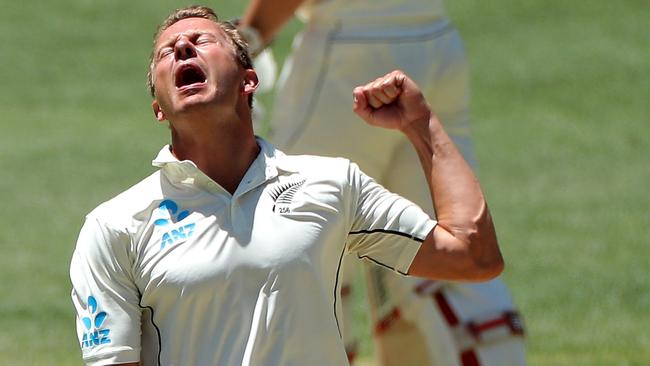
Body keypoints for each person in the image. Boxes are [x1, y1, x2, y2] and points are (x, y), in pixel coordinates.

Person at [69, 5, 504, 366]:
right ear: (158, 109)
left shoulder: (332, 184)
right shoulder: (116, 226)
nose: (182, 46)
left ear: (249, 80)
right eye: (167, 52)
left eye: (202, 41)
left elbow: (474, 256)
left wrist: (422, 126)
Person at [239, 1, 527, 365]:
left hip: (350, 52)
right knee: (442, 250)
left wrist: (250, 36)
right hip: (436, 40)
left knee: (299, 243)